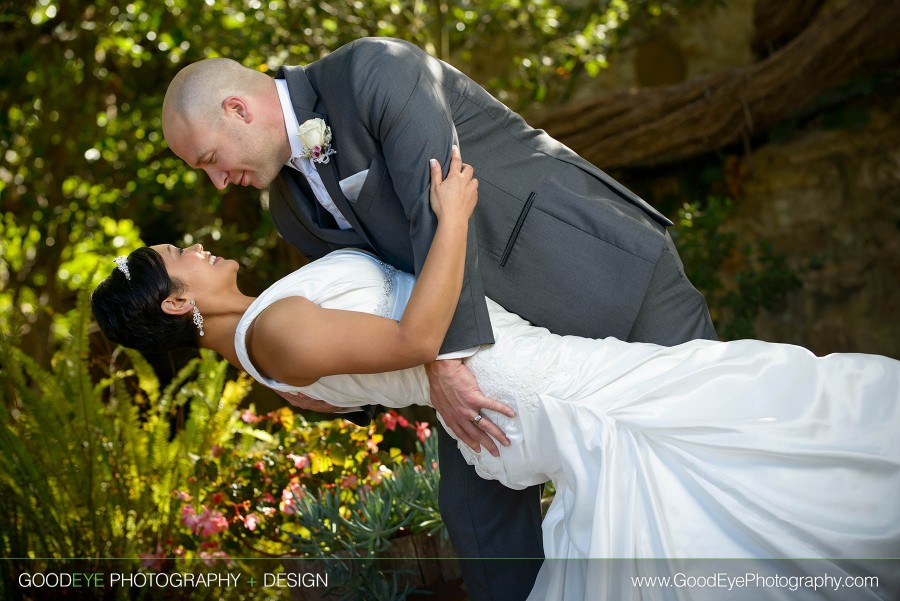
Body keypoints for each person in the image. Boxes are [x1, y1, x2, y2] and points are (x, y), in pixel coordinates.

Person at [92, 154, 899, 600]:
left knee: (706, 432)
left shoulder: (269, 339)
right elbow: (418, 335)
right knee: (729, 406)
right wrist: (451, 221)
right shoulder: (274, 333)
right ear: (172, 303)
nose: (195, 246)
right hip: (516, 377)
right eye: (178, 256)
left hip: (511, 370)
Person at [160, 37, 720, 598]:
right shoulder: (288, 207)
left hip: (598, 273)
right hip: (488, 346)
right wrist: (339, 395)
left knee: (704, 446)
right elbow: (377, 293)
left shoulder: (374, 70)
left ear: (238, 108)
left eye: (210, 159)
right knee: (478, 519)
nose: (217, 181)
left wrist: (443, 361)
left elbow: (437, 211)